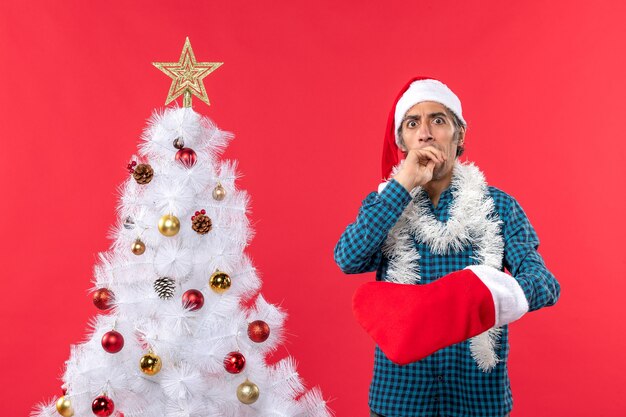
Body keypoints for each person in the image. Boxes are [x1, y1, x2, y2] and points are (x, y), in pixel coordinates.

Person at [334, 77, 560, 417]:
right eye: (413, 123)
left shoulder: (499, 206)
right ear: (403, 140)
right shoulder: (383, 205)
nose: (425, 132)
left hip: (477, 399)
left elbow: (544, 282)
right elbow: (348, 259)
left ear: (460, 135)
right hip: (399, 400)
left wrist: (487, 298)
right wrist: (403, 186)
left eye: (438, 120)